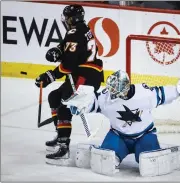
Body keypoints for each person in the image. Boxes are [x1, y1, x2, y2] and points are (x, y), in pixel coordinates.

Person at [64, 70, 180, 176]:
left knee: (149, 164)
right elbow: (93, 102)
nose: (111, 93)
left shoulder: (145, 94)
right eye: (111, 89)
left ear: (125, 88)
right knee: (106, 161)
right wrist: (80, 105)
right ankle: (113, 151)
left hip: (145, 135)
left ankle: (170, 157)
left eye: (115, 90)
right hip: (118, 136)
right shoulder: (105, 97)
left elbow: (167, 93)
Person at [35, 4, 104, 161]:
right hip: (84, 74)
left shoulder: (74, 33)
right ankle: (60, 134)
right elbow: (73, 49)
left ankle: (64, 147)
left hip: (85, 77)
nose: (65, 21)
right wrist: (59, 50)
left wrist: (49, 76)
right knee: (54, 96)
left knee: (65, 107)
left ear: (71, 19)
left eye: (67, 18)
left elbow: (68, 66)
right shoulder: (83, 29)